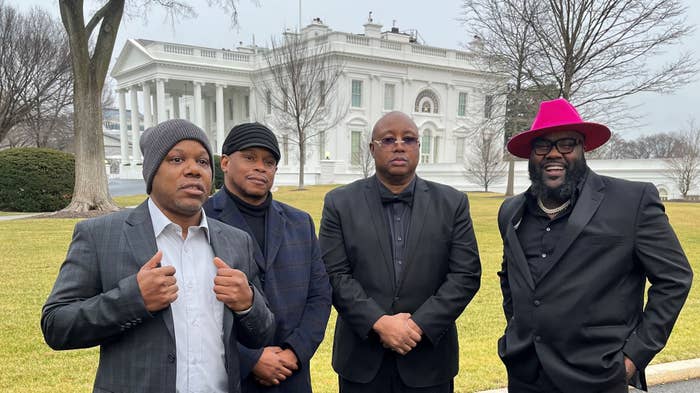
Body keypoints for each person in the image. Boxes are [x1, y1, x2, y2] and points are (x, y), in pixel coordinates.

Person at [41, 119, 275, 393]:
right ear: (152, 172)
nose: (193, 170)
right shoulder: (100, 235)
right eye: (177, 159)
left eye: (202, 162)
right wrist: (133, 299)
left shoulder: (236, 242)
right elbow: (56, 326)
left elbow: (263, 332)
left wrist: (247, 303)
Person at [497, 98, 693, 393]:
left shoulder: (632, 202)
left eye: (566, 144)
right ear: (531, 154)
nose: (554, 154)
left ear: (582, 148)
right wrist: (517, 330)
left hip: (599, 377)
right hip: (526, 376)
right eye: (542, 146)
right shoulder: (511, 211)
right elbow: (509, 277)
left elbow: (675, 279)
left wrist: (632, 358)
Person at [319, 111, 482, 393]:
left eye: (408, 139)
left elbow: (465, 275)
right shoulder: (339, 203)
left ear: (419, 146)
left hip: (430, 361)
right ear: (372, 148)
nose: (399, 145)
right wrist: (379, 322)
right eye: (388, 139)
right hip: (361, 362)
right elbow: (334, 274)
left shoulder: (452, 203)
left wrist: (417, 326)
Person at [204, 122, 332, 392]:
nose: (261, 167)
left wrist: (294, 352)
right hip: (227, 378)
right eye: (249, 157)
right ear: (225, 162)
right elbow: (191, 309)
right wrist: (249, 359)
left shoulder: (300, 223)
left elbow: (319, 296)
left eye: (269, 161)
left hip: (291, 376)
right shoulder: (199, 219)